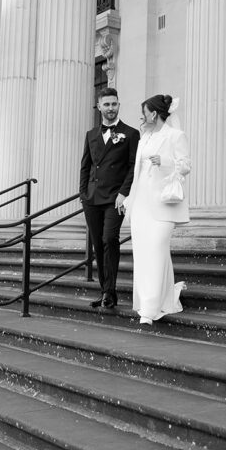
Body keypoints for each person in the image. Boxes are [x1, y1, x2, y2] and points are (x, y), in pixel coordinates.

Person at [123, 94, 191, 326]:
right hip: (141, 203)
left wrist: (165, 162)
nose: (142, 116)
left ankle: (149, 310)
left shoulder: (175, 136)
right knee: (143, 254)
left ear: (153, 113)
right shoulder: (144, 139)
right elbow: (137, 174)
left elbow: (185, 165)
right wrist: (128, 199)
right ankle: (155, 301)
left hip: (164, 204)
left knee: (157, 249)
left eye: (144, 112)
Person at [79, 88, 140, 309]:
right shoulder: (91, 134)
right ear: (99, 107)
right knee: (97, 243)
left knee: (109, 239)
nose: (111, 108)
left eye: (114, 104)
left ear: (118, 105)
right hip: (92, 198)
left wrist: (124, 192)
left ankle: (110, 291)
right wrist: (82, 193)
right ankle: (104, 290)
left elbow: (134, 166)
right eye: (107, 104)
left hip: (116, 198)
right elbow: (85, 166)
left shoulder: (131, 134)